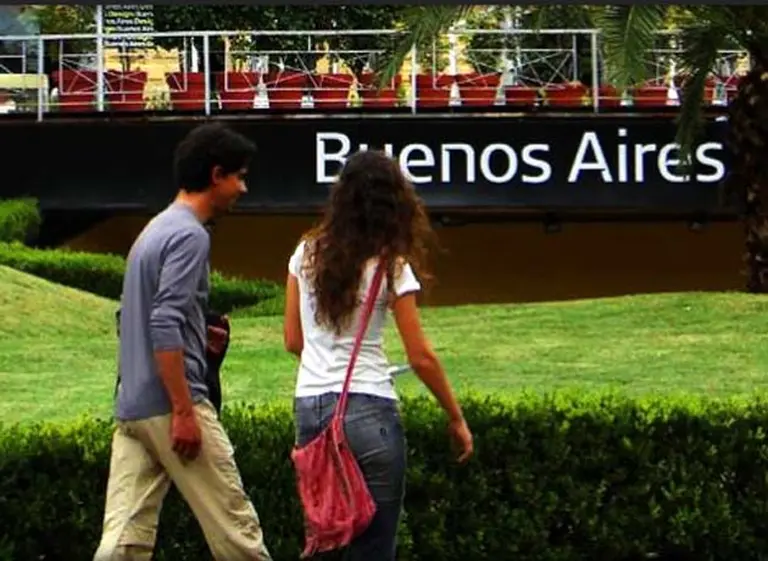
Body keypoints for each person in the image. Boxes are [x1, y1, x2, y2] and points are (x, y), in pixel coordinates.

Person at [283, 149, 474, 561]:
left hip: (311, 410)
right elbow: (420, 356)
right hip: (370, 407)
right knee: (374, 546)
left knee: (325, 537)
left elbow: (293, 341)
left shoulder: (305, 255)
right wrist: (456, 418)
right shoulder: (391, 266)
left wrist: (323, 368)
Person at [93, 122, 272, 561]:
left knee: (122, 544)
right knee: (238, 534)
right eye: (240, 176)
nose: (243, 188)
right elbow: (164, 322)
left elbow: (131, 319)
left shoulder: (152, 231)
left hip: (131, 409)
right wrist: (184, 411)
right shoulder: (190, 235)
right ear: (216, 175)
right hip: (171, 407)